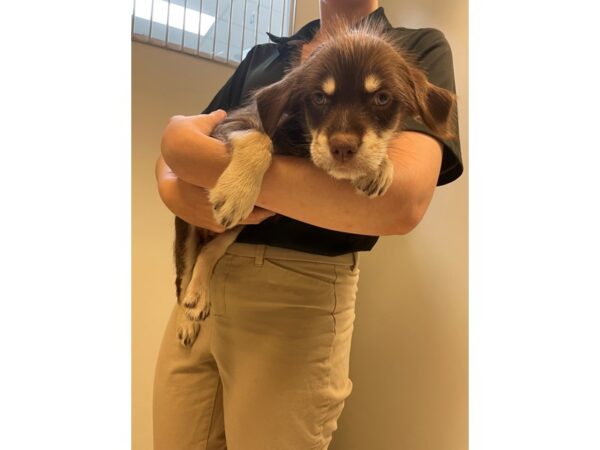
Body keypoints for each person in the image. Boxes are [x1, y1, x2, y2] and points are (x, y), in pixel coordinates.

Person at [153, 1, 463, 448]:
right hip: (198, 296)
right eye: (320, 99)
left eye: (379, 100)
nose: (343, 136)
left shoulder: (416, 48)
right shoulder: (265, 57)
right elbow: (193, 142)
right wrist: (170, 181)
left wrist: (190, 158)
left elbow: (402, 204)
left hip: (296, 300)